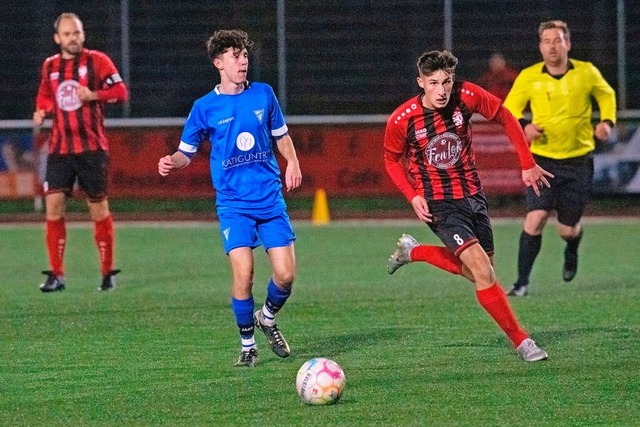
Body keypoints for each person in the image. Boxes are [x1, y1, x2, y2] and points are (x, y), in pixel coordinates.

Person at [384, 50, 554, 362]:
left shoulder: (467, 94)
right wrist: (413, 195)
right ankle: (522, 342)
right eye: (433, 82)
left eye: (446, 82)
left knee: (480, 271)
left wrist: (527, 163)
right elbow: (391, 159)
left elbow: (505, 117)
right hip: (438, 202)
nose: (441, 90)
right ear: (420, 82)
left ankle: (414, 252)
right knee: (484, 273)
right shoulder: (402, 119)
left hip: (473, 195)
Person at [158, 29, 302, 368]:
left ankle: (267, 317)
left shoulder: (264, 95)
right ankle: (248, 344)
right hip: (234, 205)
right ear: (218, 62)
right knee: (245, 272)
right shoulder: (204, 107)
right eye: (235, 56)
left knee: (285, 276)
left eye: (245, 55)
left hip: (269, 200)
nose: (243, 61)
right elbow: (185, 152)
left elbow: (282, 137)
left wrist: (293, 161)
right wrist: (171, 162)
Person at [503, 20, 616, 297]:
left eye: (558, 40)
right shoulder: (529, 76)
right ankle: (521, 283)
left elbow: (607, 94)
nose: (552, 46)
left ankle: (572, 246)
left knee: (567, 229)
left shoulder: (586, 72)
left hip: (578, 161)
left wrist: (607, 122)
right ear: (540, 46)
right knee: (536, 217)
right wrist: (524, 125)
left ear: (568, 43)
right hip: (542, 161)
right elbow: (509, 109)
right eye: (547, 41)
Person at [34, 13, 128, 292]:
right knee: (53, 206)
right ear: (57, 38)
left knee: (98, 208)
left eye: (76, 33)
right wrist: (41, 111)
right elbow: (45, 96)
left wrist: (95, 95)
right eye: (66, 34)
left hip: (92, 149)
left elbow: (121, 92)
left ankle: (107, 272)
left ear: (82, 34)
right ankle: (57, 274)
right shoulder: (50, 66)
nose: (72, 38)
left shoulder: (97, 61)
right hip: (60, 149)